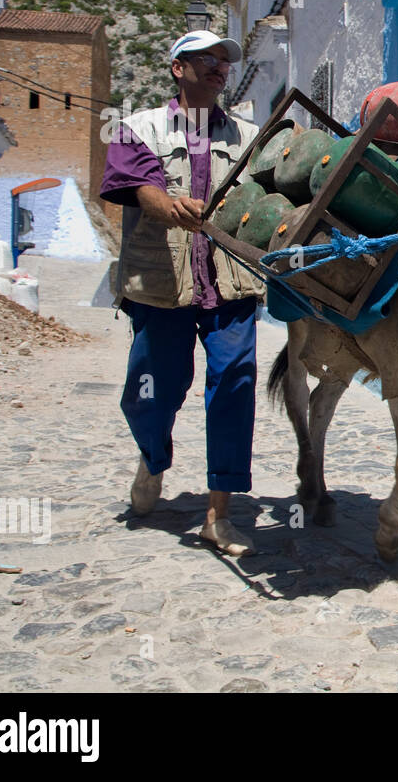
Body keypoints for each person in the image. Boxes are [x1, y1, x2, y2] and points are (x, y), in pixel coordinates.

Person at [100, 30, 264, 556]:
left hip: (230, 284)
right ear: (178, 67)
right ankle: (151, 458)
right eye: (208, 60)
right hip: (160, 288)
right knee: (151, 390)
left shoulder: (250, 134)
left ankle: (219, 513)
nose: (220, 69)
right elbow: (141, 190)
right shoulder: (137, 128)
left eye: (225, 63)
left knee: (234, 384)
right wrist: (172, 207)